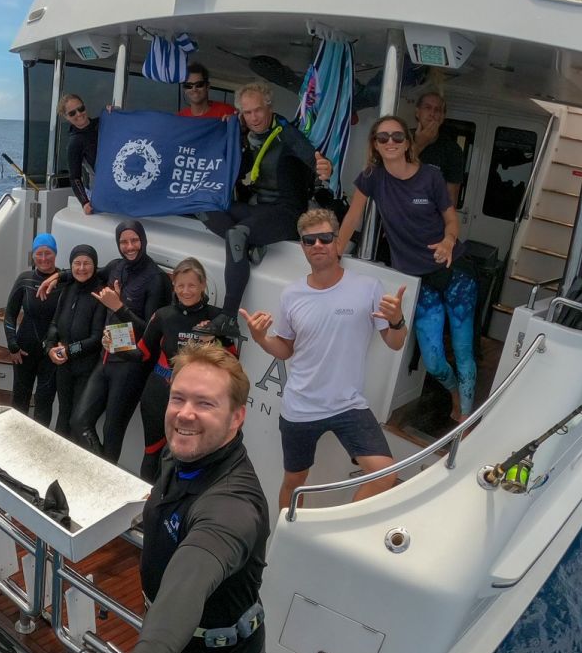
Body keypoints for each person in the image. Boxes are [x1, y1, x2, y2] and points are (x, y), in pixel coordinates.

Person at [74, 344, 275, 653]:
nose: (185, 413)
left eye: (205, 403)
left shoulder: (232, 505)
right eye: (178, 398)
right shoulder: (180, 453)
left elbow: (190, 580)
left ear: (236, 418)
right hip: (178, 646)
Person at [240, 208, 407, 510]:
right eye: (309, 241)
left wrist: (397, 320)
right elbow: (286, 349)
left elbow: (394, 343)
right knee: (294, 482)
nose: (317, 245)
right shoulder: (292, 294)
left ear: (337, 242)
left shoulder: (368, 288)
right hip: (300, 407)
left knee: (384, 475)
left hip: (348, 404)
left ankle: (335, 532)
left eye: (325, 238)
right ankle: (287, 540)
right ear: (302, 247)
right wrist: (261, 337)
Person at [338, 115, 479, 422]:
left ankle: (464, 419)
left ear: (407, 143)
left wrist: (447, 241)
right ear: (375, 144)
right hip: (418, 281)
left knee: (463, 350)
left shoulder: (429, 176)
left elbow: (451, 219)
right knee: (434, 360)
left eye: (397, 137)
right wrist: (333, 252)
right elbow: (353, 217)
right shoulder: (372, 176)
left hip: (455, 273)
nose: (390, 142)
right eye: (383, 137)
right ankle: (454, 392)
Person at [198, 80, 332, 315]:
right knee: (204, 206)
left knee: (236, 234)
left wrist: (324, 167)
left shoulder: (287, 135)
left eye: (258, 110)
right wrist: (225, 131)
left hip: (287, 214)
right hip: (259, 210)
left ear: (269, 107)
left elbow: (315, 161)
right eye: (248, 112)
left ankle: (228, 317)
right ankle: (247, 246)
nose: (254, 117)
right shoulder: (243, 135)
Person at [65, 220, 172, 462]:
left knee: (112, 433)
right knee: (79, 421)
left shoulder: (155, 279)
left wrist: (120, 307)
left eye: (134, 240)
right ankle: (100, 474)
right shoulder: (116, 267)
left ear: (143, 241)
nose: (129, 246)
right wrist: (57, 277)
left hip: (132, 366)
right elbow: (87, 272)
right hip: (107, 357)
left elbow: (152, 333)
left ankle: (104, 485)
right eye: (124, 241)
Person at [136, 258, 238, 482]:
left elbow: (233, 360)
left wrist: (216, 338)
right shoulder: (163, 315)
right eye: (180, 285)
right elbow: (142, 353)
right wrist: (113, 346)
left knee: (189, 456)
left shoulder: (216, 318)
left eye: (192, 285)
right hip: (158, 393)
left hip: (197, 399)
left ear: (203, 286)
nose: (186, 291)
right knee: (152, 453)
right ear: (173, 286)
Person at [44, 245, 107, 439]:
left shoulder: (100, 294)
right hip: (64, 366)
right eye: (77, 263)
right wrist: (49, 348)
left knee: (77, 421)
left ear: (94, 265)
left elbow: (96, 339)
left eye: (87, 263)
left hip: (85, 369)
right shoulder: (68, 289)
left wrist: (67, 351)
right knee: (63, 414)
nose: (81, 268)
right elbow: (54, 323)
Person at [2, 233, 63, 427]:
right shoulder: (25, 279)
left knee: (44, 401)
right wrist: (12, 345)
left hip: (51, 353)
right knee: (20, 398)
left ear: (55, 254)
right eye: (39, 254)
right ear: (33, 256)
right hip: (24, 350)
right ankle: (15, 437)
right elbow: (10, 314)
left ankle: (38, 443)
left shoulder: (65, 282)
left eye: (48, 253)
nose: (44, 258)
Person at [412, 90, 465, 206]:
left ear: (442, 117)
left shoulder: (453, 150)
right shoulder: (401, 138)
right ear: (417, 112)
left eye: (437, 110)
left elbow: (451, 199)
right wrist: (420, 144)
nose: (432, 113)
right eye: (427, 107)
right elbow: (391, 174)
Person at [62, 93, 100, 215]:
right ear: (66, 116)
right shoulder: (75, 143)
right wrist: (84, 202)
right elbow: (75, 178)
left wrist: (114, 113)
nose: (79, 114)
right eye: (72, 113)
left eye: (81, 109)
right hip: (98, 192)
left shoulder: (104, 123)